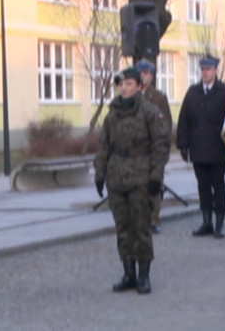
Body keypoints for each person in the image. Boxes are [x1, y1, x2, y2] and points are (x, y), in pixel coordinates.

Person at [93, 67, 170, 294]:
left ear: (139, 85)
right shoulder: (112, 114)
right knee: (123, 228)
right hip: (117, 178)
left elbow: (160, 146)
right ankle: (128, 273)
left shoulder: (150, 112)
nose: (124, 88)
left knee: (141, 228)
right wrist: (100, 173)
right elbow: (104, 146)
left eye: (128, 84)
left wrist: (156, 177)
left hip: (141, 177)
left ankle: (144, 275)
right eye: (121, 84)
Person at [177, 56, 225, 239]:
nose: (206, 72)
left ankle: (219, 222)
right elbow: (184, 120)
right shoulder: (193, 92)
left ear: (216, 70)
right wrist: (183, 145)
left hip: (218, 149)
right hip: (199, 148)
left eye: (209, 69)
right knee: (203, 187)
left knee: (218, 186)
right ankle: (206, 221)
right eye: (203, 69)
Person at [135, 59, 172, 234]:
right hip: (135, 151)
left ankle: (153, 218)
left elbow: (166, 124)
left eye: (147, 73)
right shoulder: (129, 96)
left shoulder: (158, 97)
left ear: (151, 76)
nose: (144, 76)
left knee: (154, 184)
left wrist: (163, 149)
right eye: (141, 73)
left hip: (153, 149)